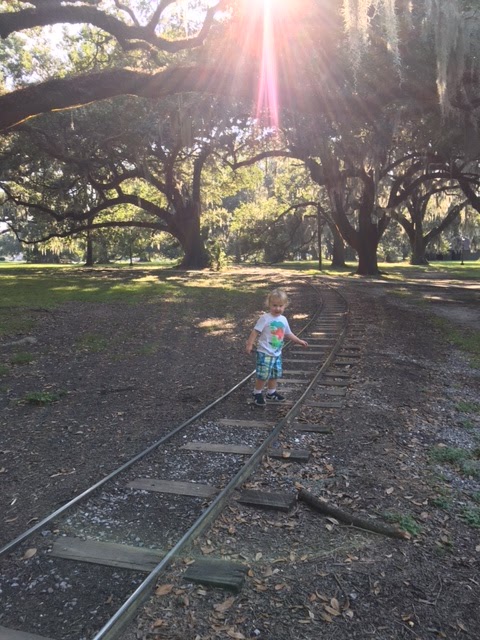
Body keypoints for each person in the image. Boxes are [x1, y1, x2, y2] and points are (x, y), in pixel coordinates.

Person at [245, 288, 308, 407]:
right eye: (274, 305)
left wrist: (299, 341)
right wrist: (249, 344)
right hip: (265, 352)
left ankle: (271, 392)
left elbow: (288, 333)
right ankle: (257, 392)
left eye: (280, 306)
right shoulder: (265, 318)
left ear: (285, 306)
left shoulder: (283, 319)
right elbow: (255, 331)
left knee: (274, 374)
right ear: (269, 304)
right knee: (263, 375)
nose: (277, 308)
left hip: (277, 353)